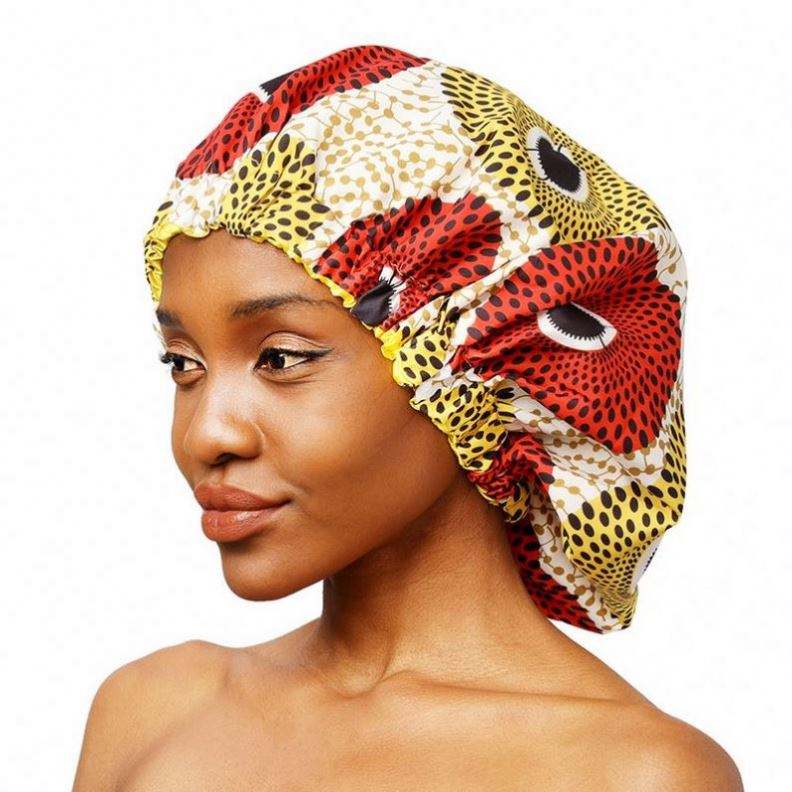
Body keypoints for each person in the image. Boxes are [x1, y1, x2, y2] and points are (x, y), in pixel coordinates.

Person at [72, 44, 742, 790]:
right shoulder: (149, 711)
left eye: (281, 358)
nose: (206, 435)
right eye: (183, 364)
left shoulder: (632, 774)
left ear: (473, 364)